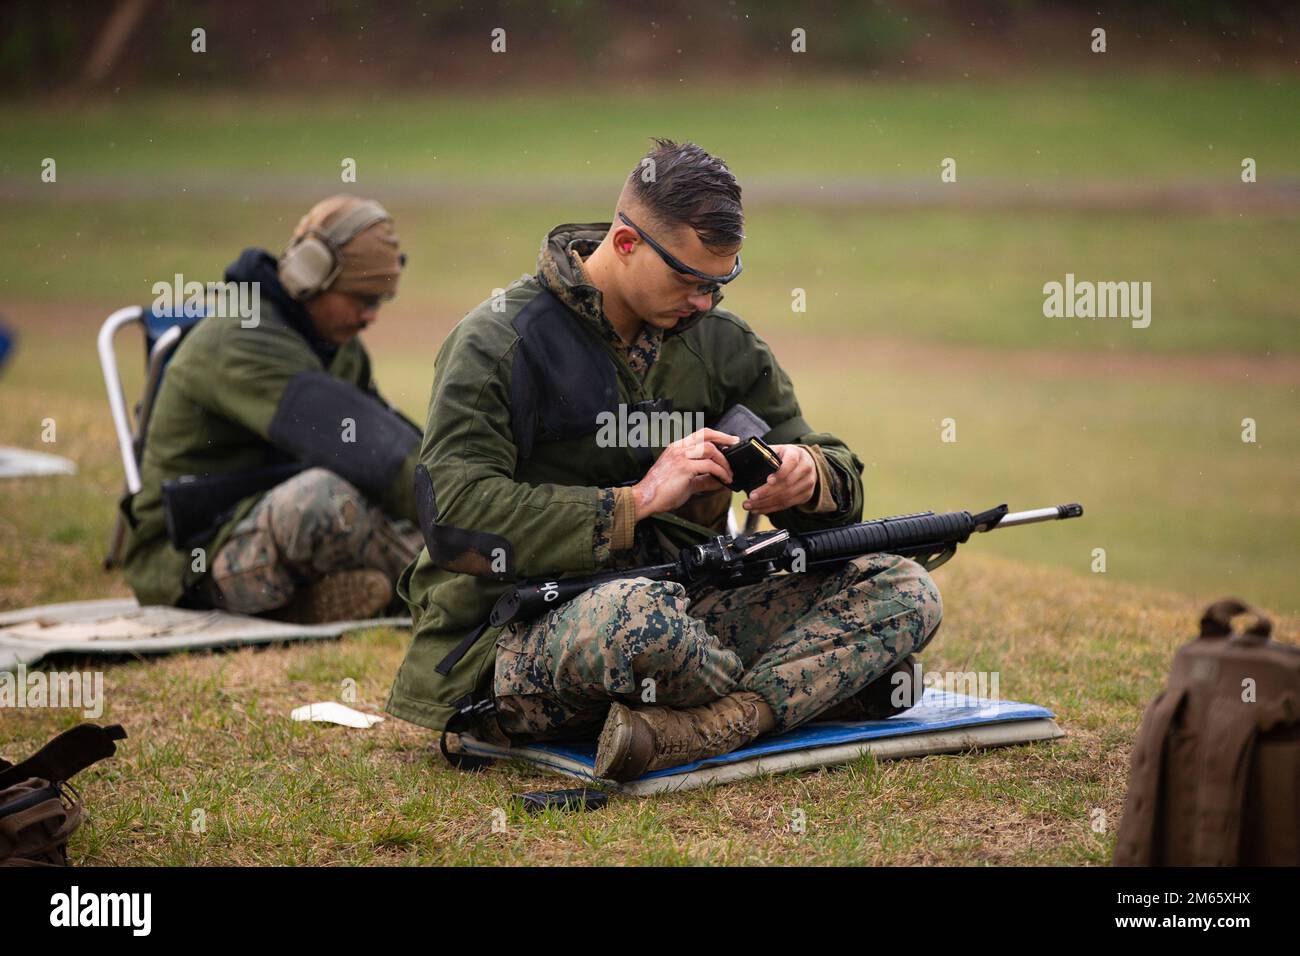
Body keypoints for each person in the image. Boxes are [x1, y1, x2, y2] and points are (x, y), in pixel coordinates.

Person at [386, 140, 943, 780]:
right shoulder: (497, 343)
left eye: (720, 281)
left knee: (903, 588)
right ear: (626, 244)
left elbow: (833, 473)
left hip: (690, 607)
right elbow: (455, 516)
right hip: (520, 632)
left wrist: (810, 477)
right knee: (633, 618)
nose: (704, 302)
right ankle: (811, 684)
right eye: (688, 278)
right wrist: (636, 503)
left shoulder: (723, 346)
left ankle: (713, 723)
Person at [120, 195, 423, 623]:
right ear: (309, 275)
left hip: (265, 527)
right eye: (363, 299)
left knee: (355, 500)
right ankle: (447, 588)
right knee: (326, 501)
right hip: (191, 554)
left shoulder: (337, 345)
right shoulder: (241, 340)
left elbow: (391, 439)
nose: (371, 316)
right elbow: (375, 452)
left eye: (381, 301)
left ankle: (329, 599)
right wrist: (465, 519)